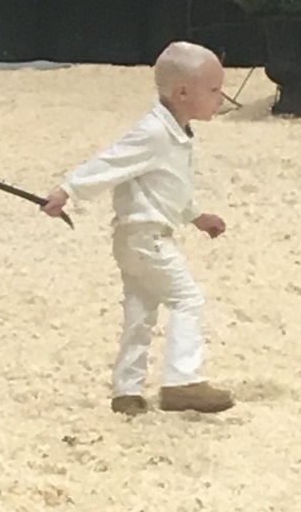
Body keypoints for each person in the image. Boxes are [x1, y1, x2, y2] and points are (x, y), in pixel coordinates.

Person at [41, 41, 235, 416]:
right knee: (188, 298)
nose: (220, 98)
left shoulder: (175, 132)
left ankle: (126, 390)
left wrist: (196, 216)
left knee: (140, 311)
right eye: (213, 90)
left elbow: (172, 186)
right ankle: (183, 381)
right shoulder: (154, 133)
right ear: (182, 93)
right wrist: (68, 190)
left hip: (137, 239)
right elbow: (110, 162)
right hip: (146, 239)